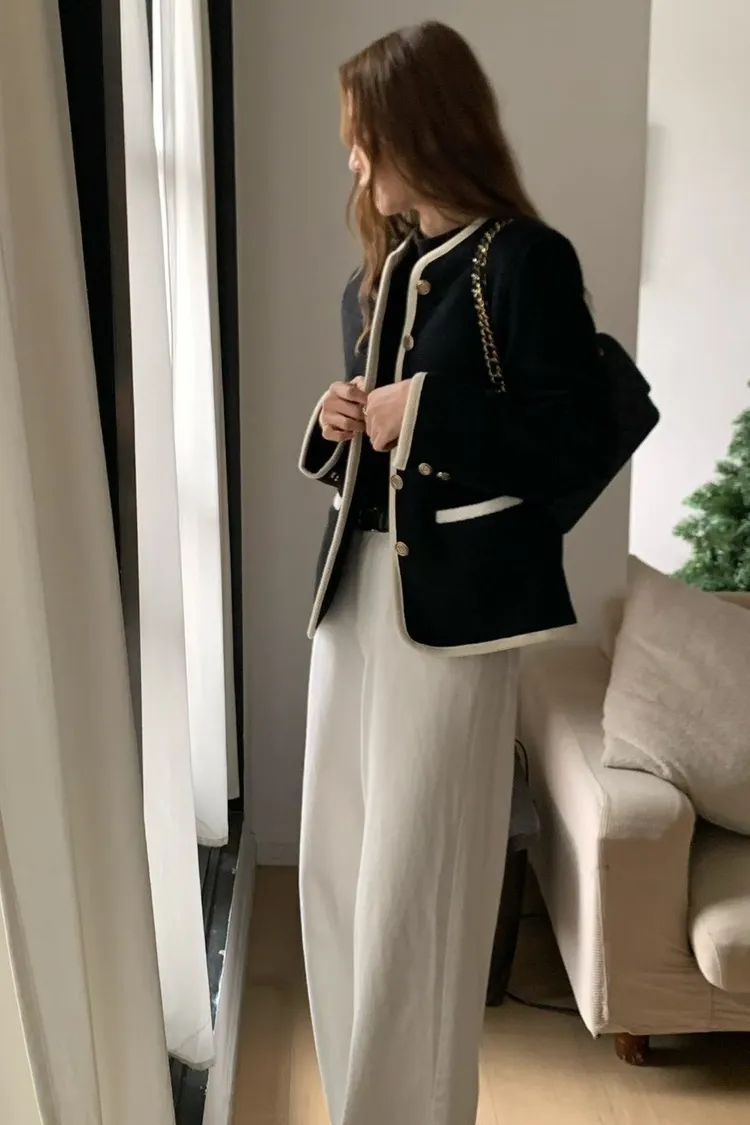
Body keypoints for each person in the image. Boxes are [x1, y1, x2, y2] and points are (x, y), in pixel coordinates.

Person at [297, 21, 611, 1125]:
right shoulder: (377, 275)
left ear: (422, 129)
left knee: (417, 885)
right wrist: (337, 422)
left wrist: (420, 413)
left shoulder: (526, 261)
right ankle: (359, 1103)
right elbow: (375, 455)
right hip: (351, 599)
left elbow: (572, 438)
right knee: (337, 869)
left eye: (364, 135)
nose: (353, 158)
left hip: (455, 618)